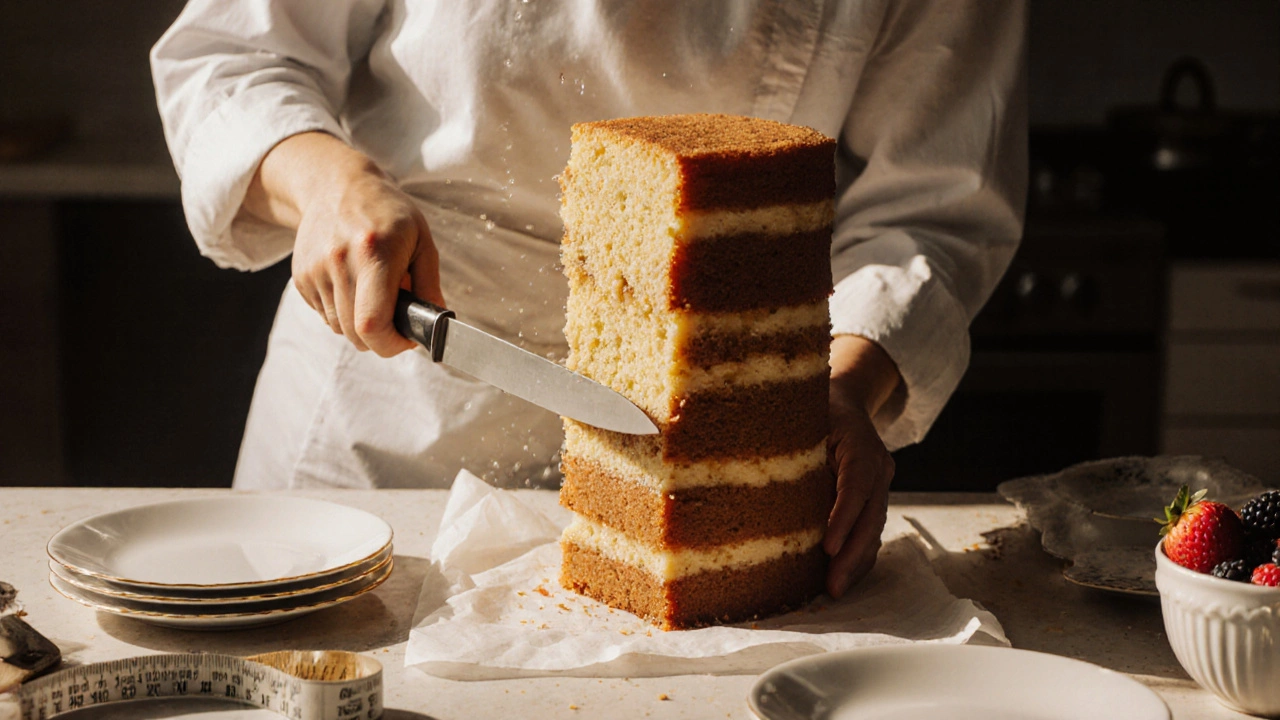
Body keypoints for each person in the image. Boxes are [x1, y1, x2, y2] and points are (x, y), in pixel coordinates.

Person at [151, 0, 1026, 599]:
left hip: (719, 455)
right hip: (385, 422)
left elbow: (936, 203)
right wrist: (330, 182)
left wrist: (837, 386)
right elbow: (228, 55)